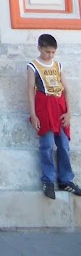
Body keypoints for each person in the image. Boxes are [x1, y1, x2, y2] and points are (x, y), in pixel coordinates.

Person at [27, 32, 81, 199]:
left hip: (59, 107)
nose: (50, 55)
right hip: (44, 107)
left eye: (52, 52)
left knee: (64, 145)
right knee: (47, 145)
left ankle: (66, 180)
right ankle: (48, 180)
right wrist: (33, 115)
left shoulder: (58, 66)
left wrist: (69, 112)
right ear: (39, 48)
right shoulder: (33, 66)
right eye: (47, 52)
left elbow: (66, 89)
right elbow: (29, 91)